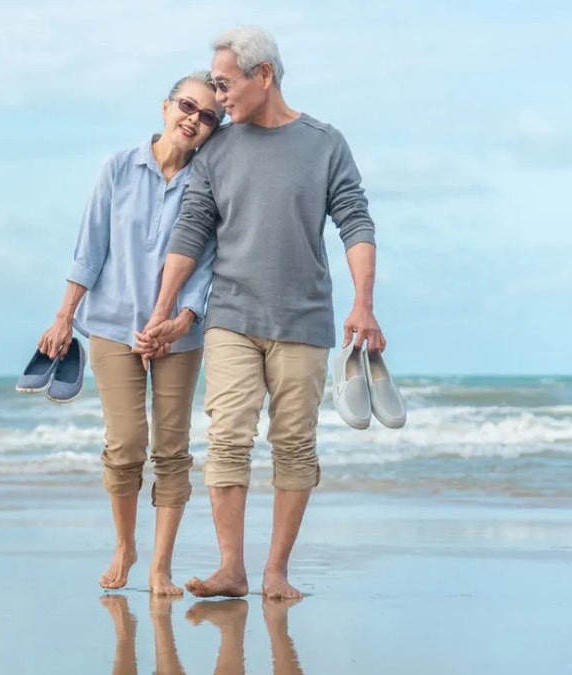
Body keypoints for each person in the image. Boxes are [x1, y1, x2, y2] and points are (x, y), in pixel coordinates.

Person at [136, 26, 386, 600]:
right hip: (230, 315)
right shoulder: (216, 150)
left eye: (225, 85)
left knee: (295, 445)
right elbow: (192, 227)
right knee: (227, 439)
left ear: (264, 75)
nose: (218, 98)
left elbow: (355, 222)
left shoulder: (324, 142)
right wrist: (163, 308)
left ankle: (275, 572)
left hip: (304, 320)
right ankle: (232, 569)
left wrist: (364, 303)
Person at [36, 71, 223, 595]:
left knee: (172, 448)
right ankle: (125, 545)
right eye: (188, 106)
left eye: (209, 116)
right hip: (113, 328)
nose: (195, 119)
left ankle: (160, 565)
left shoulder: (208, 183)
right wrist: (64, 315)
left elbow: (207, 264)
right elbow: (89, 248)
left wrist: (182, 319)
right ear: (165, 107)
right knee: (125, 444)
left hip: (179, 336)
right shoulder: (117, 167)